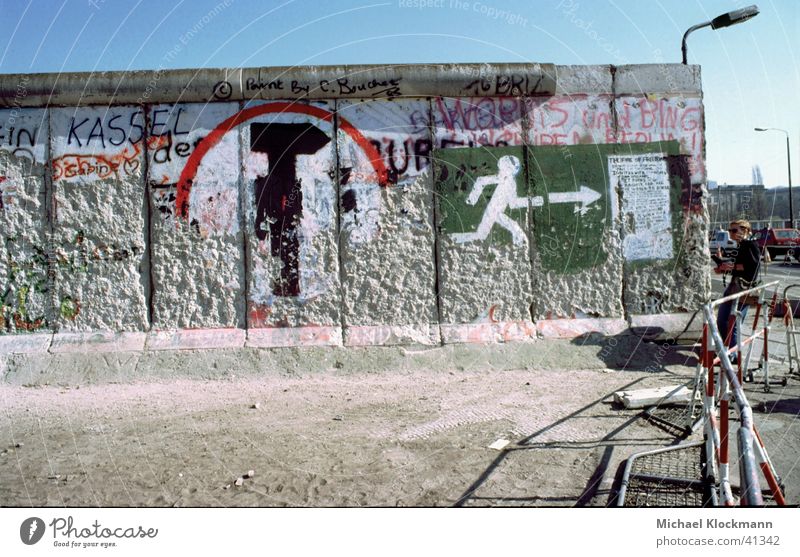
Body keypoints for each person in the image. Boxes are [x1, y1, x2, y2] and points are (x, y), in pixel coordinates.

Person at [714, 219, 762, 356]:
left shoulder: (750, 244)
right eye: (730, 230)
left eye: (734, 230)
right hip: (736, 287)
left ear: (745, 230)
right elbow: (740, 267)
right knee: (728, 321)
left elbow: (751, 267)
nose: (731, 233)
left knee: (728, 322)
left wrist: (728, 267)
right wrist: (724, 268)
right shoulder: (743, 245)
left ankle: (732, 354)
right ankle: (730, 352)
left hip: (742, 289)